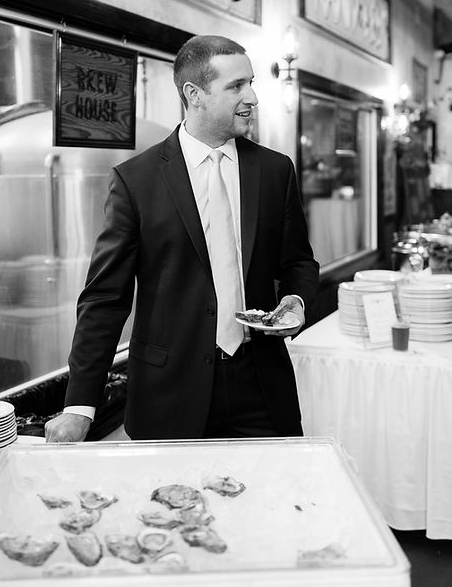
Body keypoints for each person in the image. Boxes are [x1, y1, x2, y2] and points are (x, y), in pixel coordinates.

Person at [45, 34, 319, 443]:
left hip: (261, 388)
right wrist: (79, 407)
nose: (253, 98)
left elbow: (298, 262)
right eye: (236, 86)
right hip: (169, 395)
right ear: (194, 94)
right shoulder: (136, 180)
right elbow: (105, 299)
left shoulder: (276, 171)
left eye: (251, 82)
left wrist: (296, 302)